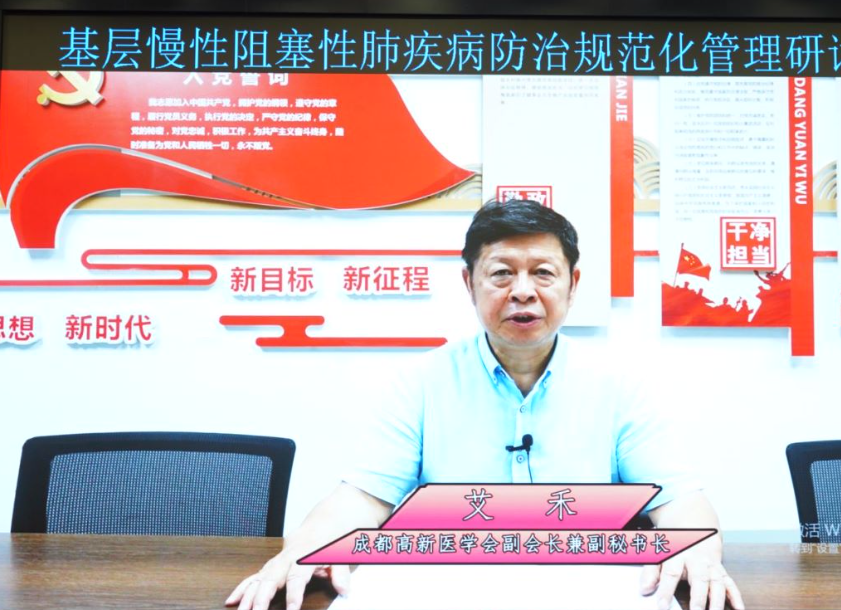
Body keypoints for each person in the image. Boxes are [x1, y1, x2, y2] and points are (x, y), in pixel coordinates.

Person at [226, 200, 745, 610]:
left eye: (543, 273)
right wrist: (303, 549)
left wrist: (697, 549)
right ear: (469, 283)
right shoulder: (421, 382)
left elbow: (679, 499)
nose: (523, 292)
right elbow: (362, 497)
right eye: (501, 274)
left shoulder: (618, 386)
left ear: (573, 284)